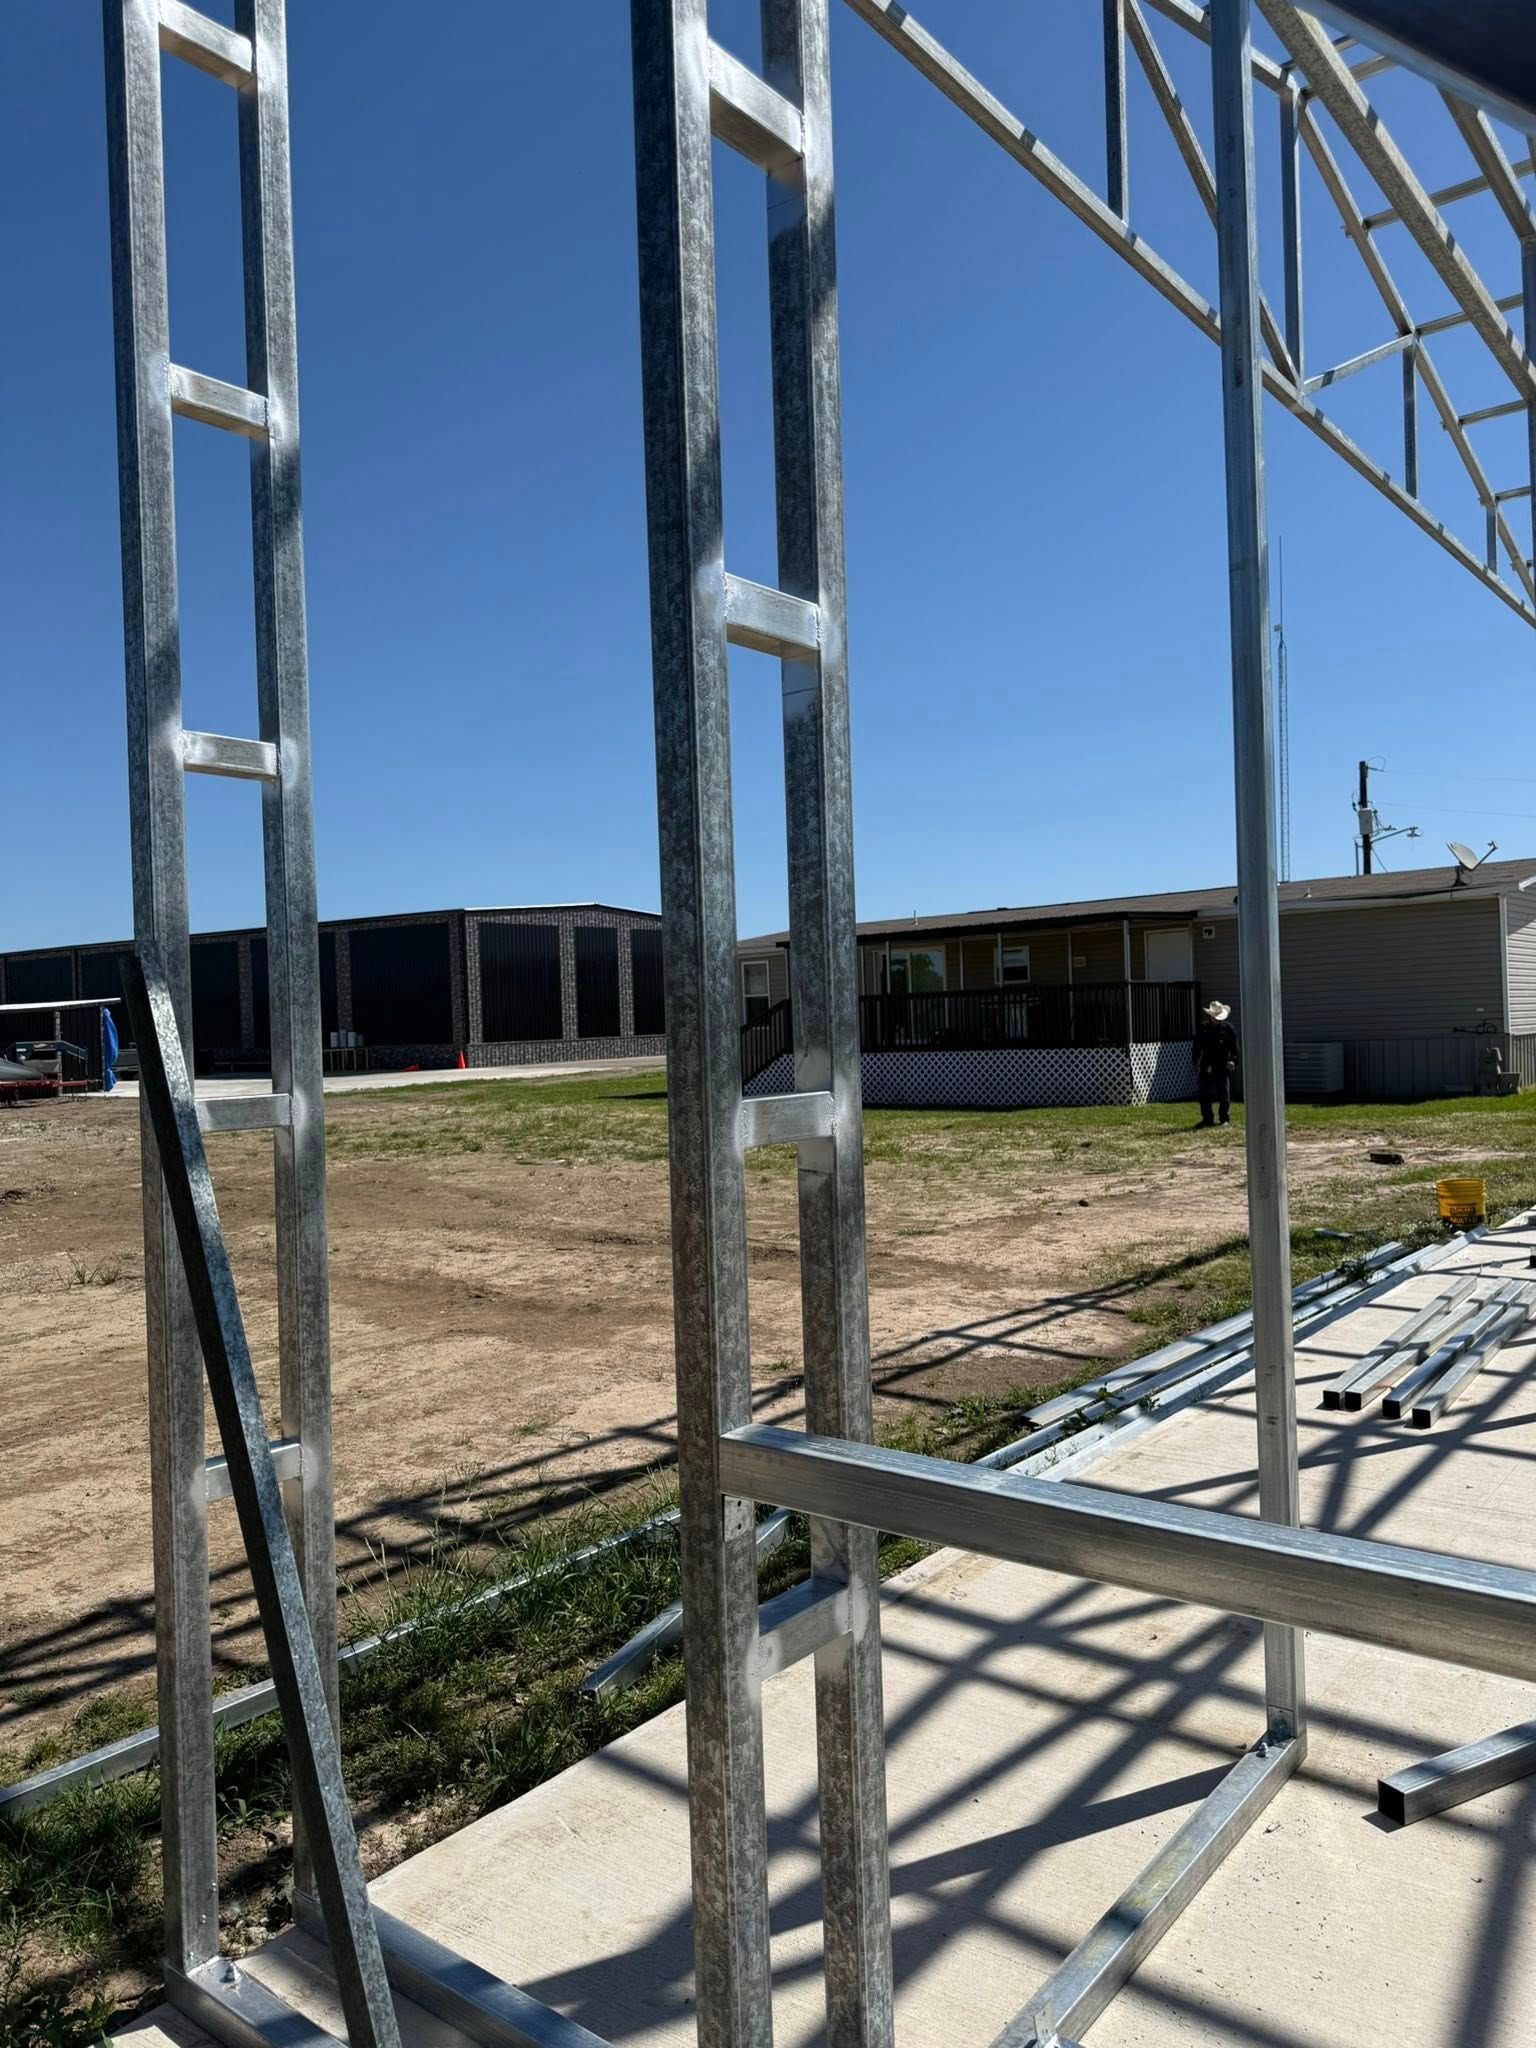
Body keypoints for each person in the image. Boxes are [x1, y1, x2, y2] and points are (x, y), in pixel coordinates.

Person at [1193, 999, 1238, 1126]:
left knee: (1224, 1094)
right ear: (1210, 1016)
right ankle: (1207, 1119)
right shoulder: (1203, 1028)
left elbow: (1235, 1049)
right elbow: (1197, 1047)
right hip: (1206, 1065)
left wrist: (1233, 1061)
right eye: (1215, 1017)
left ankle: (1224, 1119)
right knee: (1203, 1094)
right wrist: (1195, 1062)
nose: (1217, 1020)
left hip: (1222, 1065)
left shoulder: (1228, 1029)